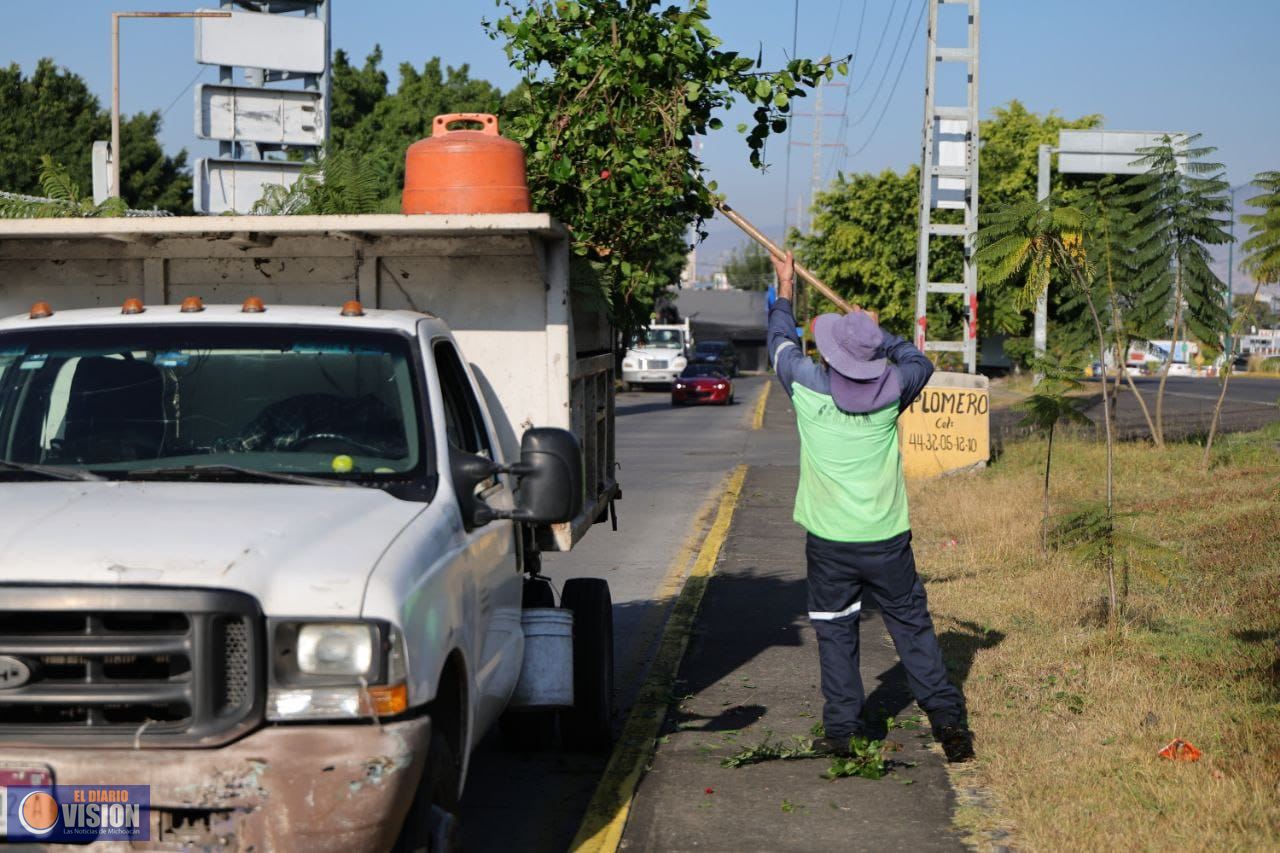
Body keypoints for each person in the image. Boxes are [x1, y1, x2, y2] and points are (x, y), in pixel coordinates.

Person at [767, 250, 974, 763]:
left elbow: (780, 339)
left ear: (832, 355)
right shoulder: (892, 391)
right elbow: (919, 361)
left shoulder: (806, 388)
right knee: (912, 628)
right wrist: (881, 335)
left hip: (830, 544)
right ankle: (949, 725)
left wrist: (786, 286)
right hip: (886, 539)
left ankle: (842, 730)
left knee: (836, 632)